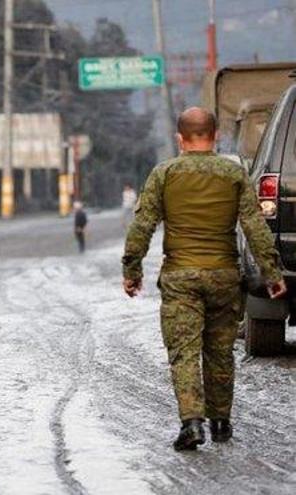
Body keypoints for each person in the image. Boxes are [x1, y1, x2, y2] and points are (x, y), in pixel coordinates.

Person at [122, 107, 286, 451]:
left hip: (180, 277)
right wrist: (272, 272)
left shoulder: (164, 173)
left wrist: (132, 271)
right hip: (224, 278)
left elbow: (142, 226)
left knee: (184, 352)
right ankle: (221, 422)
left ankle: (192, 423)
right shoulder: (233, 174)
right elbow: (254, 226)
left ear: (180, 139)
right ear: (216, 137)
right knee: (220, 351)